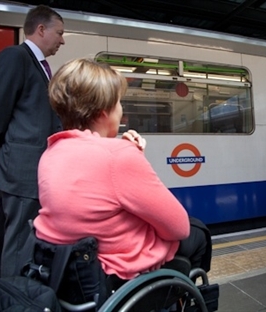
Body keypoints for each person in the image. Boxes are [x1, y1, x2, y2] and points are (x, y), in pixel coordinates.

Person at [32, 58, 211, 281]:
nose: (121, 110)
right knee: (197, 231)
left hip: (71, 272)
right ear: (104, 112)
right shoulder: (118, 155)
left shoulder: (51, 152)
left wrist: (127, 152)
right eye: (118, 102)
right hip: (115, 274)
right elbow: (179, 227)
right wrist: (129, 155)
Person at [0, 5, 65, 280]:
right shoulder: (15, 57)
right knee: (17, 244)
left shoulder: (38, 65)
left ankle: (9, 292)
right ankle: (11, 300)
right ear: (41, 29)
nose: (62, 40)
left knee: (14, 238)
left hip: (24, 170)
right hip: (19, 170)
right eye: (59, 33)